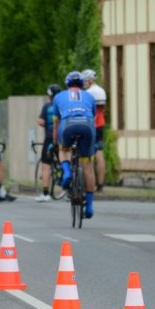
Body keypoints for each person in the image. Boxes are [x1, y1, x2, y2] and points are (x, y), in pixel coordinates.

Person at [54, 71, 97, 218]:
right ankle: (89, 207)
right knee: (88, 166)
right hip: (87, 125)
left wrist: (55, 141)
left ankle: (67, 172)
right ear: (82, 84)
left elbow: (56, 123)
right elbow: (93, 117)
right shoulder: (89, 96)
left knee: (64, 149)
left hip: (68, 124)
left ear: (67, 84)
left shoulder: (58, 96)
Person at [81, 69, 108, 191]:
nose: (84, 83)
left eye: (85, 81)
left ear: (91, 80)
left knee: (89, 155)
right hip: (100, 125)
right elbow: (102, 109)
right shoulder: (101, 91)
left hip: (90, 125)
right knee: (100, 154)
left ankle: (89, 184)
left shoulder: (88, 93)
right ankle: (101, 184)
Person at [34, 84, 60, 202]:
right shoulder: (63, 106)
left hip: (49, 138)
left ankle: (45, 194)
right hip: (63, 138)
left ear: (50, 95)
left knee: (46, 165)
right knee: (66, 161)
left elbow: (40, 121)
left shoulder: (47, 107)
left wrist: (46, 124)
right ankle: (71, 190)